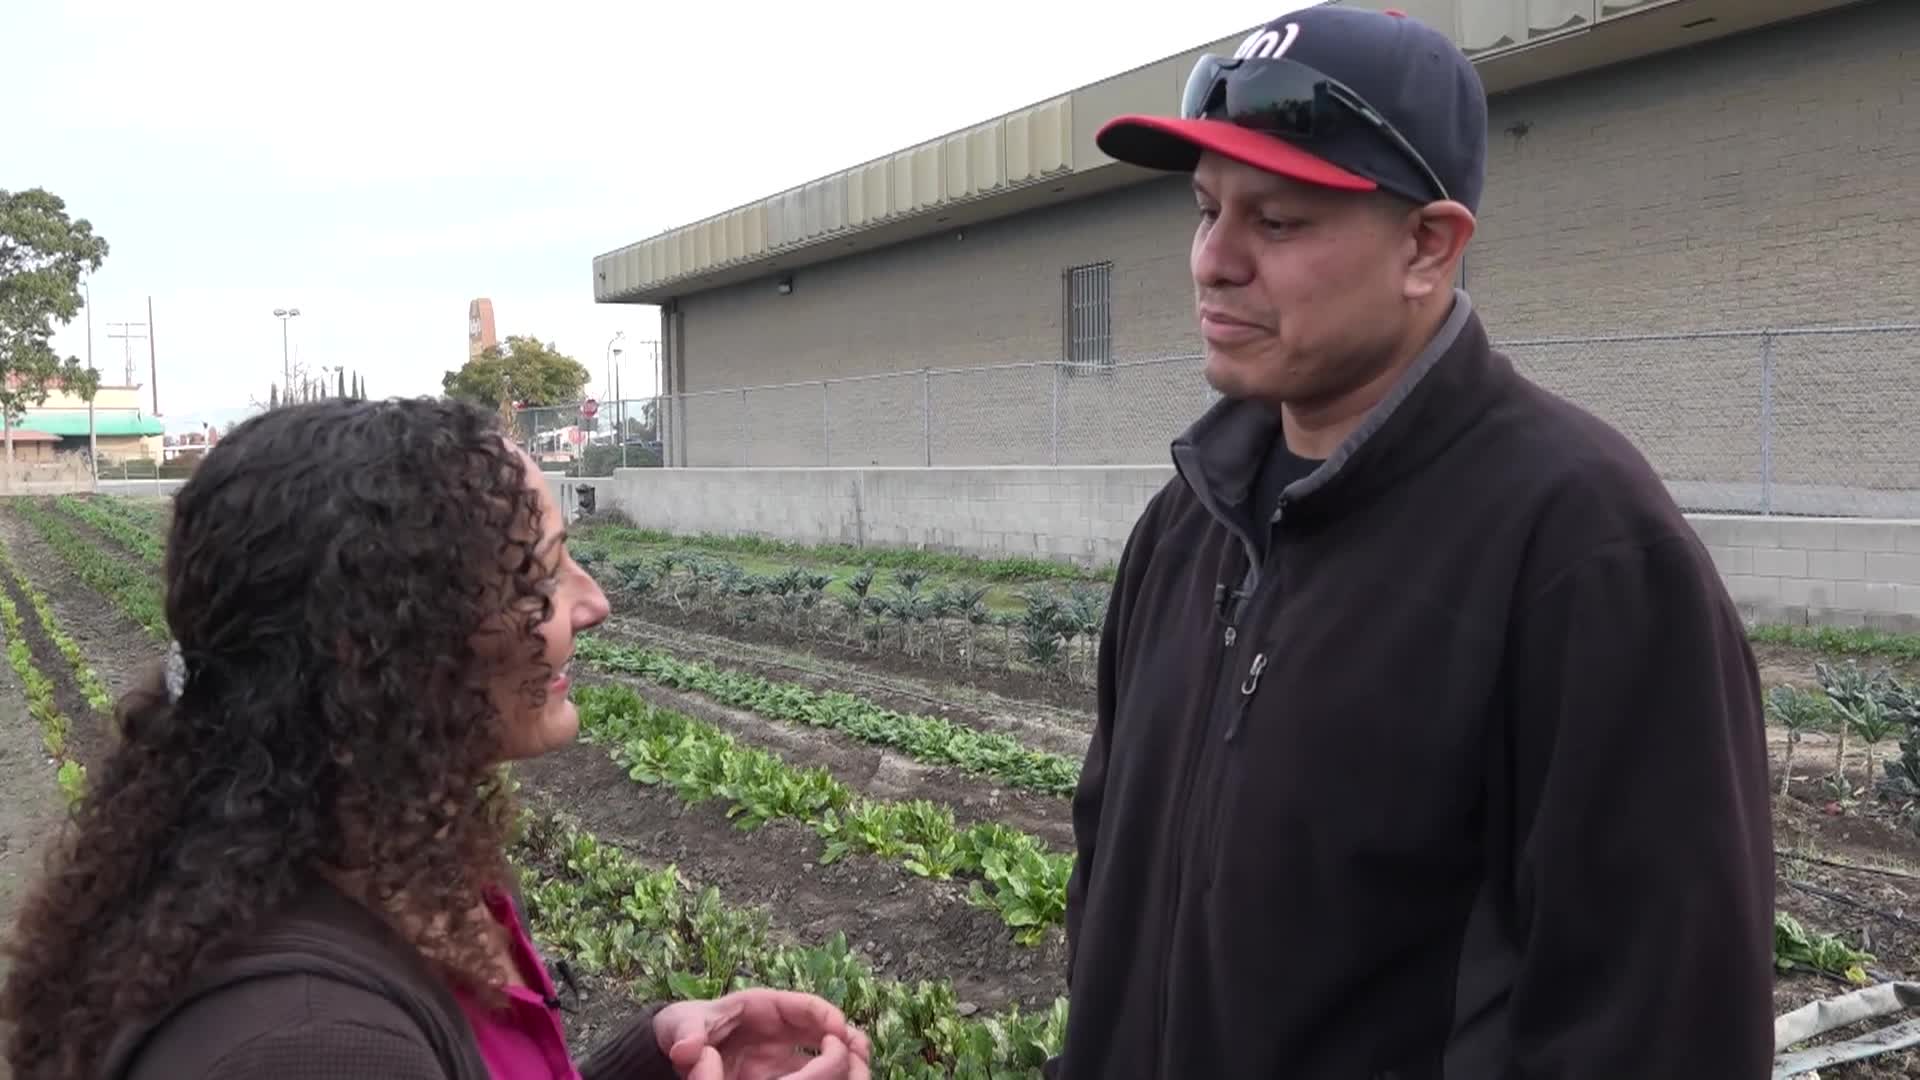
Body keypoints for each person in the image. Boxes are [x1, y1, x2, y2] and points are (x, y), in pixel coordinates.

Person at [1051, 7, 1773, 1078]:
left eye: (1277, 222)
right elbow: (1108, 884)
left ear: (1427, 247)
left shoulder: (1585, 550)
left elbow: (1658, 1018)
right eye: (1205, 211)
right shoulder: (1188, 523)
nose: (1213, 261)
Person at [0, 398, 871, 1080]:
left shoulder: (343, 874)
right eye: (542, 575)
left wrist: (650, 1066)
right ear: (383, 644)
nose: (593, 603)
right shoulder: (313, 1046)